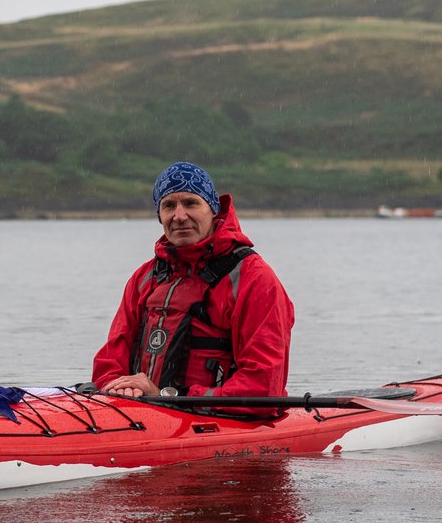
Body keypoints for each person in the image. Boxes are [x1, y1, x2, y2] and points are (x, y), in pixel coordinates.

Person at [91, 161, 294, 400]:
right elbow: (110, 360)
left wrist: (167, 396)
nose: (179, 216)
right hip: (144, 414)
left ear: (213, 210)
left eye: (191, 203)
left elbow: (263, 385)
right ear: (160, 215)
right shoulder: (145, 278)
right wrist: (119, 387)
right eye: (169, 206)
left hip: (222, 422)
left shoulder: (255, 279)